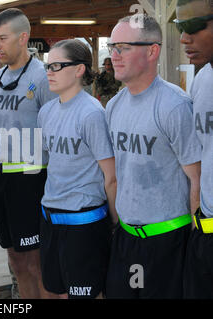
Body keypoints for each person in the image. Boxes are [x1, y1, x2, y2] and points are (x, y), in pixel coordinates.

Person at [105, 14, 201, 299]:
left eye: (123, 47)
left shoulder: (174, 106)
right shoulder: (113, 106)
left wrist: (197, 244)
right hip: (125, 239)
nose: (114, 56)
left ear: (152, 51)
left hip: (169, 242)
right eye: (112, 47)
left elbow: (197, 179)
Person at [38, 39, 118, 299]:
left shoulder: (92, 114)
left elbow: (111, 176)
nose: (49, 72)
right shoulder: (46, 112)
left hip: (84, 223)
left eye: (57, 66)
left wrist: (115, 222)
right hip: (50, 219)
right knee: (56, 292)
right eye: (47, 66)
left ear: (79, 69)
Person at [0, 8, 57, 299]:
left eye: (2, 38)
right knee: (16, 260)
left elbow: (56, 132)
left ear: (23, 38)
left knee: (37, 261)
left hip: (31, 180)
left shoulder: (43, 78)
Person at [175, 0, 213, 298]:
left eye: (194, 27)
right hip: (206, 232)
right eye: (180, 27)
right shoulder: (203, 79)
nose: (184, 38)